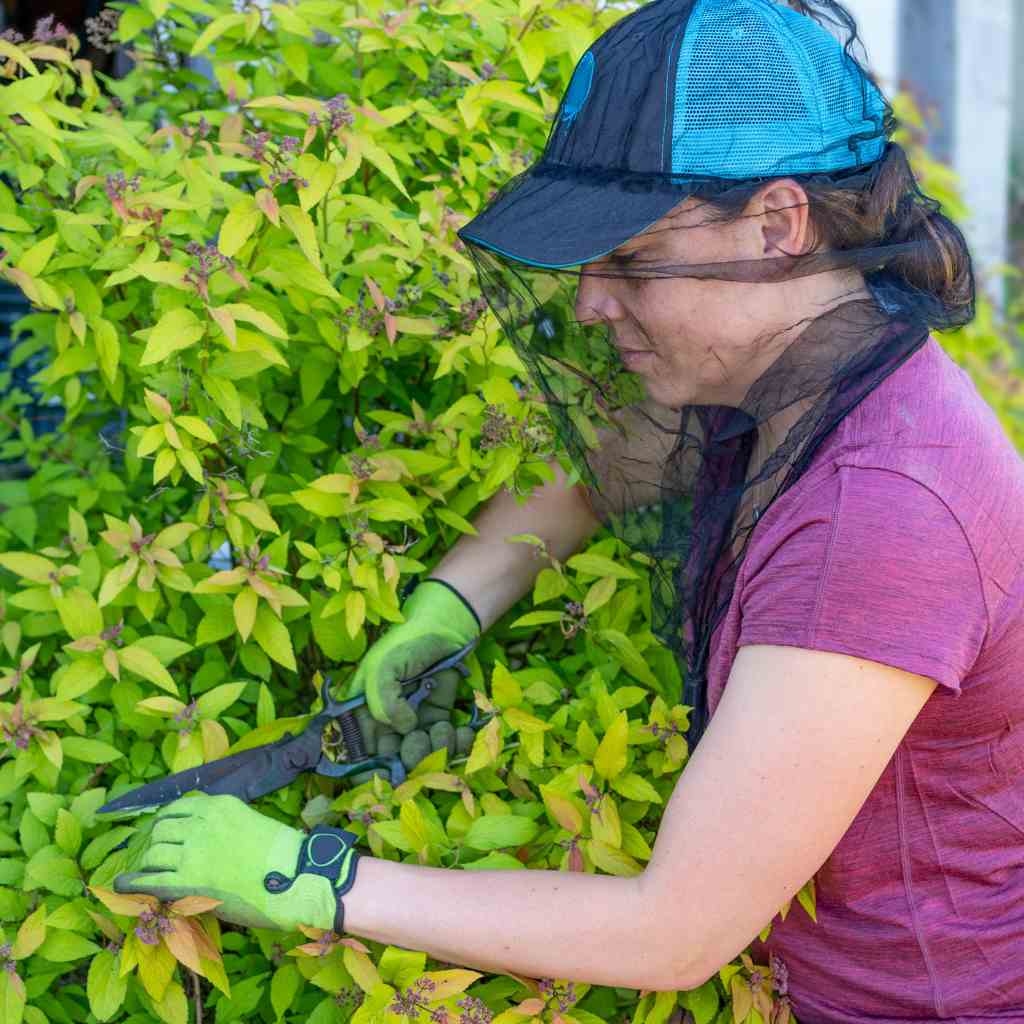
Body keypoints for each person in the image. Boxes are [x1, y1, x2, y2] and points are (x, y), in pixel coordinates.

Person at [113, 0, 1024, 1019]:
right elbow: (600, 473)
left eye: (632, 261)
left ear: (776, 225)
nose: (590, 302)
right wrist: (450, 605)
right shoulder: (799, 367)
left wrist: (312, 878)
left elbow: (673, 927)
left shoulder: (884, 511)